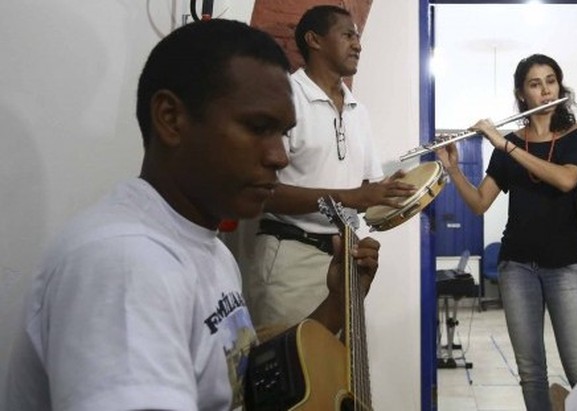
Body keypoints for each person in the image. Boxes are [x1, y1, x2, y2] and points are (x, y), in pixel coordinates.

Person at [0, 19, 379, 410]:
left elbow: (235, 384)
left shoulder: (210, 251)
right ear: (170, 118)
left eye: (282, 133)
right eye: (257, 127)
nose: (279, 156)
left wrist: (338, 303)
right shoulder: (125, 263)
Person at [436, 54, 577, 411]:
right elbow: (480, 203)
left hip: (567, 264)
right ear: (522, 94)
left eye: (551, 81)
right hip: (517, 266)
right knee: (531, 371)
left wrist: (504, 143)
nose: (545, 90)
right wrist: (454, 170)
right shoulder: (508, 145)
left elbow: (566, 179)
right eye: (535, 84)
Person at [242, 5, 416, 328]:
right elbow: (263, 194)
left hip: (345, 258)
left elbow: (364, 194)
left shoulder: (357, 110)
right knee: (291, 359)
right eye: (348, 35)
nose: (358, 45)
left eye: (358, 37)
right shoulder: (286, 98)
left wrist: (395, 193)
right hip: (291, 259)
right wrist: (352, 197)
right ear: (314, 40)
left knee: (337, 361)